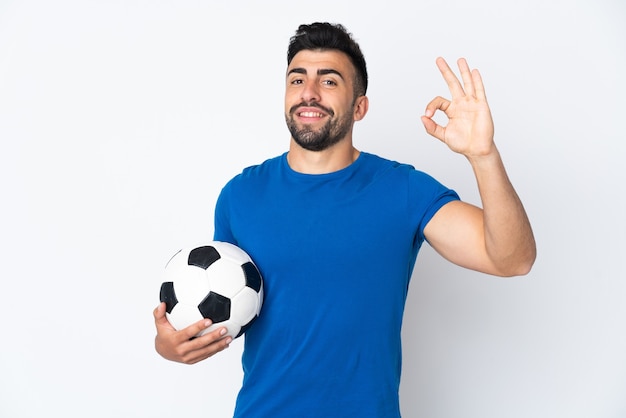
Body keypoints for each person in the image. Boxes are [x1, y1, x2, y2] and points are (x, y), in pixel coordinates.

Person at [153, 22, 536, 417]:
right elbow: (221, 312)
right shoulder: (240, 195)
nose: (309, 92)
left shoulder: (403, 189)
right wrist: (169, 345)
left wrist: (483, 155)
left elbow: (512, 259)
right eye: (297, 79)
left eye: (329, 81)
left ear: (359, 107)